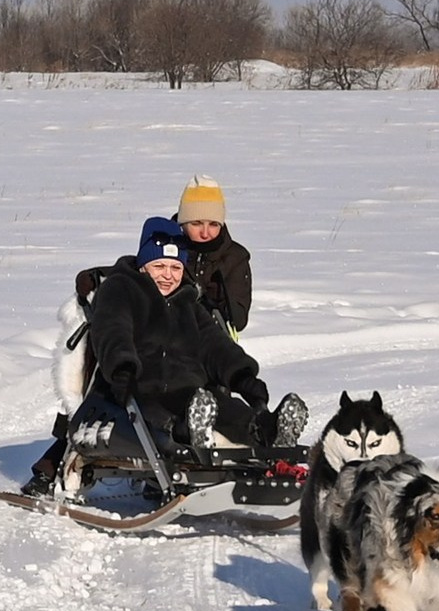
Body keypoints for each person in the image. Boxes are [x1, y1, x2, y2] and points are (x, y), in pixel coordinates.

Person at [20, 216, 305, 496]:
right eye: (159, 266)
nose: (168, 275)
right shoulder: (121, 289)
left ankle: (269, 433)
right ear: (143, 265)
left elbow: (215, 345)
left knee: (226, 409)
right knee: (165, 419)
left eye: (175, 267)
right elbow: (112, 330)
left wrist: (243, 376)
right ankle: (191, 434)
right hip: (137, 388)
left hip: (191, 393)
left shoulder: (189, 302)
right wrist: (122, 368)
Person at [174, 175, 252, 336]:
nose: (205, 233)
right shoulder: (165, 250)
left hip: (214, 343)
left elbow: (238, 320)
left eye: (213, 224)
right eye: (196, 223)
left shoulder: (235, 258)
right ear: (182, 223)